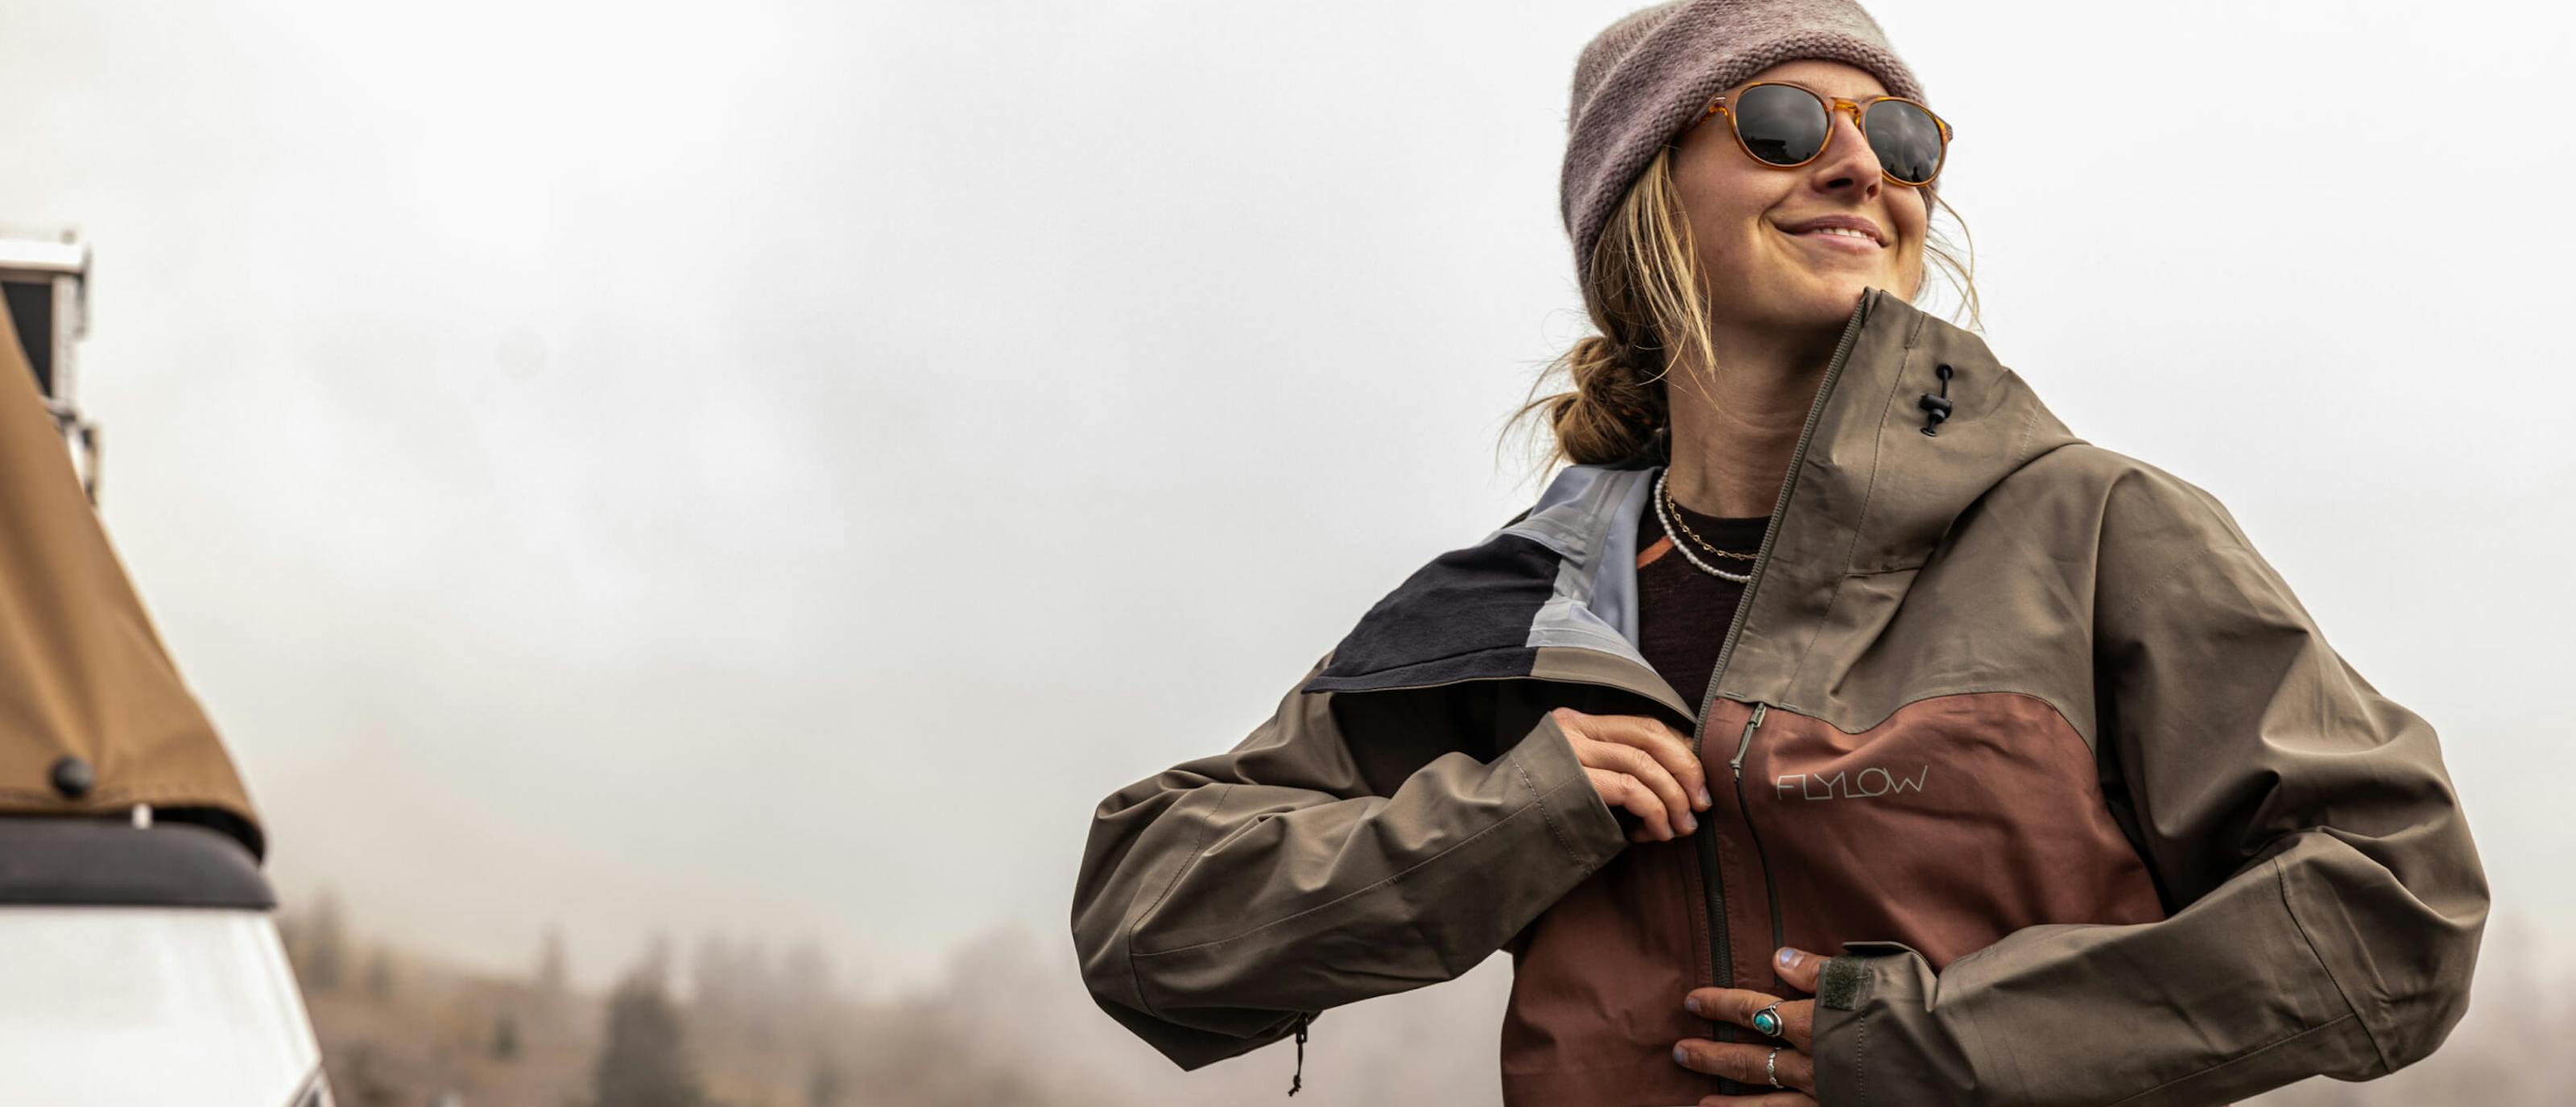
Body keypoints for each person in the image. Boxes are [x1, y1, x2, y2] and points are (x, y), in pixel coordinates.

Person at [1069, 2, 2487, 1104]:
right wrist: (1510, 819)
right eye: (1786, 121)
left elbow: (2396, 905)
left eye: (1906, 138)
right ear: (1643, 197)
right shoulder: (1534, 609)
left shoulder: (2096, 529)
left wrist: (1940, 1054)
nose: (1864, 165)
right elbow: (1152, 924)